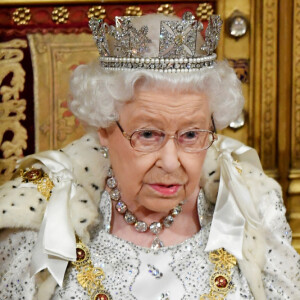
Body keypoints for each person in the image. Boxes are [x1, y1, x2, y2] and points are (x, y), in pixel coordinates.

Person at [0, 13, 299, 300]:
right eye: (147, 135)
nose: (170, 162)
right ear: (104, 128)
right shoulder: (39, 214)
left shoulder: (253, 207)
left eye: (191, 135)